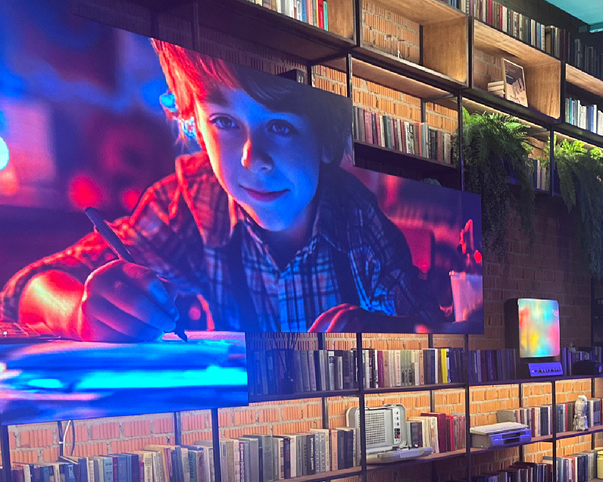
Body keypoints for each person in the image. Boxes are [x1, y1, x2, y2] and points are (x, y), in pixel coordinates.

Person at [1, 42, 447, 339]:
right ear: (195, 125)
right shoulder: (189, 205)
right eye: (225, 122)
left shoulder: (356, 220)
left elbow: (432, 330)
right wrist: (78, 313)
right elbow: (25, 288)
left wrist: (388, 336)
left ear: (327, 138)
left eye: (280, 126)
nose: (252, 158)